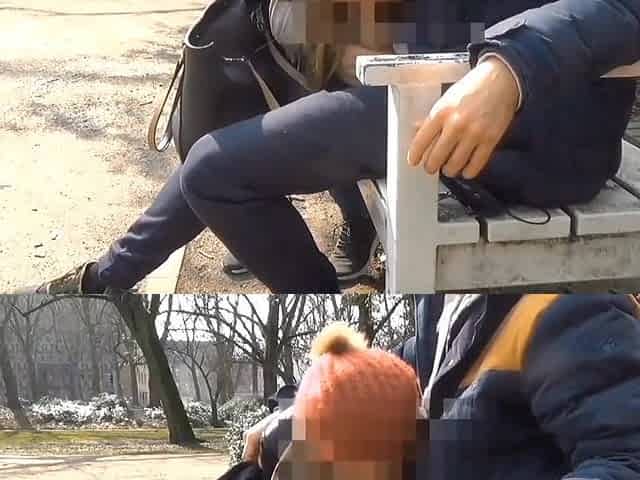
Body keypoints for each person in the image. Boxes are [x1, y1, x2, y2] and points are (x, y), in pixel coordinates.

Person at [24, 0, 640, 294]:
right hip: (421, 79)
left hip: (532, 127)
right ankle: (110, 274)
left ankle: (323, 308)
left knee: (215, 168)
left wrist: (511, 66)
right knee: (274, 105)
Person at [243, 293, 640, 480]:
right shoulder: (438, 310)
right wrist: (296, 411)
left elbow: (625, 460)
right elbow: (376, 375)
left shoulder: (562, 311)